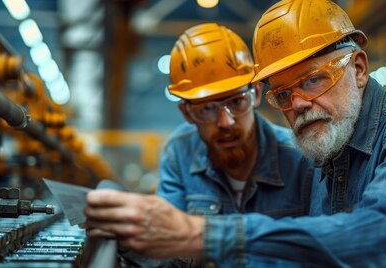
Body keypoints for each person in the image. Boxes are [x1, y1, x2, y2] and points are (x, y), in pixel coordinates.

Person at [85, 1, 386, 266]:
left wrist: (200, 234)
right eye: (282, 93)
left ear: (358, 69)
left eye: (313, 80)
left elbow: (381, 239)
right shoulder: (327, 157)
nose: (296, 104)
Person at [97, 22, 315, 266]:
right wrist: (131, 235)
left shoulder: (301, 157)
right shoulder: (179, 153)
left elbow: (323, 250)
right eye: (207, 109)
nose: (225, 121)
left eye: (236, 102)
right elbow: (167, 254)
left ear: (254, 93)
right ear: (187, 113)